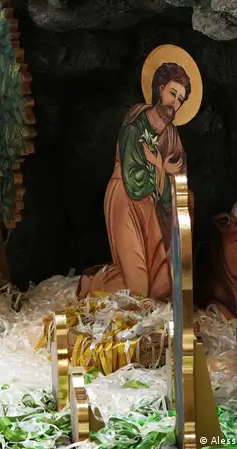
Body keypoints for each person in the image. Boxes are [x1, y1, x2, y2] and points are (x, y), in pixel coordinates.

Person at [78, 62, 190, 301]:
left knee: (161, 287)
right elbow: (133, 181)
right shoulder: (135, 126)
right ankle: (94, 281)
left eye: (180, 100)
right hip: (125, 200)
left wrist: (161, 171)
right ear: (160, 89)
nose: (175, 103)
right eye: (173, 94)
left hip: (153, 207)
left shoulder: (172, 137)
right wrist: (160, 170)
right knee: (137, 290)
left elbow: (178, 184)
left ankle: (108, 275)